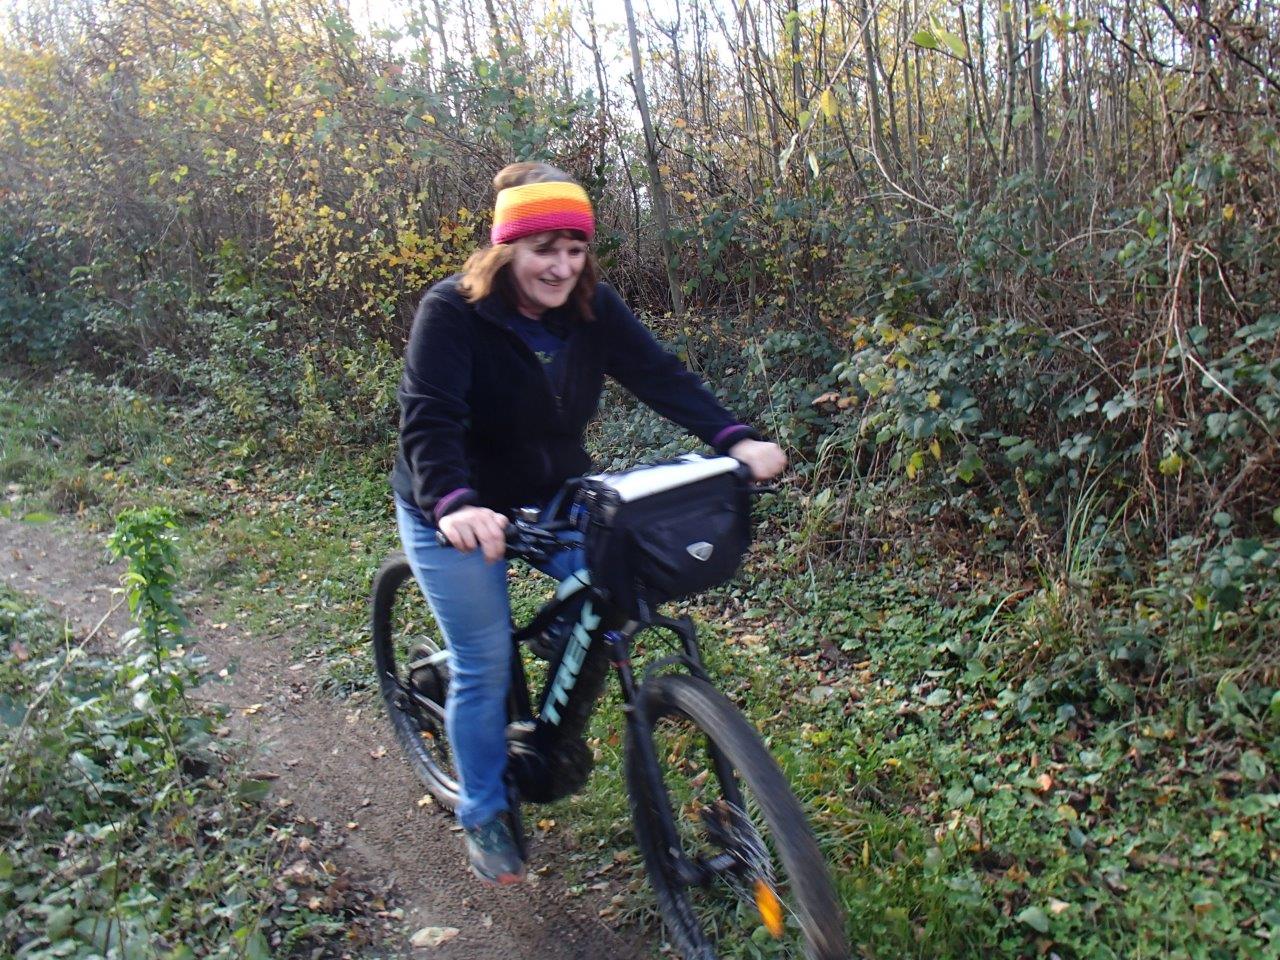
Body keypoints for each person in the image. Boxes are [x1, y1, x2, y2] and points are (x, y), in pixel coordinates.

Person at [390, 161, 786, 886]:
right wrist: (453, 504)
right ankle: (483, 810)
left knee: (618, 579)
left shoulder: (591, 308)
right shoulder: (452, 312)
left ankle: (555, 649)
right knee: (483, 664)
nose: (562, 266)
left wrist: (734, 437)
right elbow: (430, 419)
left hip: (549, 489)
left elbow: (659, 375)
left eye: (575, 249)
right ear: (506, 249)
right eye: (545, 248)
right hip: (451, 504)